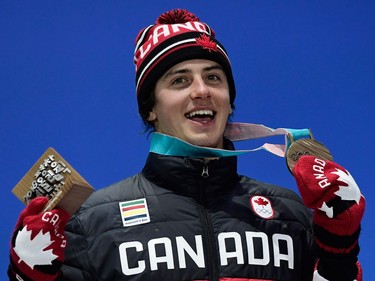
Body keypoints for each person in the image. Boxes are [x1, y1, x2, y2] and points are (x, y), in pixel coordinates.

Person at [8, 8, 365, 281]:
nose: (201, 90)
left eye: (213, 77)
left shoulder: (293, 217)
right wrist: (29, 274)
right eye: (180, 80)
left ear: (228, 99)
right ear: (150, 108)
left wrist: (339, 247)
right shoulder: (92, 223)